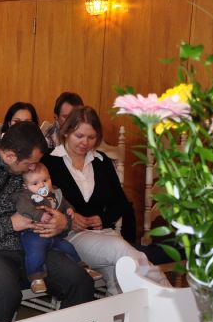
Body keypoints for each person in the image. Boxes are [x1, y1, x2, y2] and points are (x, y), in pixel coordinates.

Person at [0, 121, 96, 322]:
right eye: (30, 163)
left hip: (31, 246)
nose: (34, 168)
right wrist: (10, 224)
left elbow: (56, 203)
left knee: (81, 282)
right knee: (6, 293)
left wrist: (63, 222)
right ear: (10, 156)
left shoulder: (28, 171)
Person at [42, 106, 170, 294]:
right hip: (69, 237)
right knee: (122, 251)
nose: (85, 142)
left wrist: (103, 218)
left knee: (121, 277)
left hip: (104, 234)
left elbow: (120, 202)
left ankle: (127, 314)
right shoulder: (49, 162)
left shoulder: (101, 161)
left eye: (91, 137)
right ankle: (168, 294)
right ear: (67, 132)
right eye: (79, 136)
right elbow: (40, 202)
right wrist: (69, 218)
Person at [13, 164, 101, 293]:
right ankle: (36, 278)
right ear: (26, 186)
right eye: (35, 183)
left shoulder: (54, 192)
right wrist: (39, 215)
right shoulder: (25, 196)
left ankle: (83, 267)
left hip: (54, 235)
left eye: (45, 180)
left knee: (68, 247)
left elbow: (63, 202)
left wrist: (69, 209)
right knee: (35, 253)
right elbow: (24, 208)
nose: (42, 185)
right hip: (34, 233)